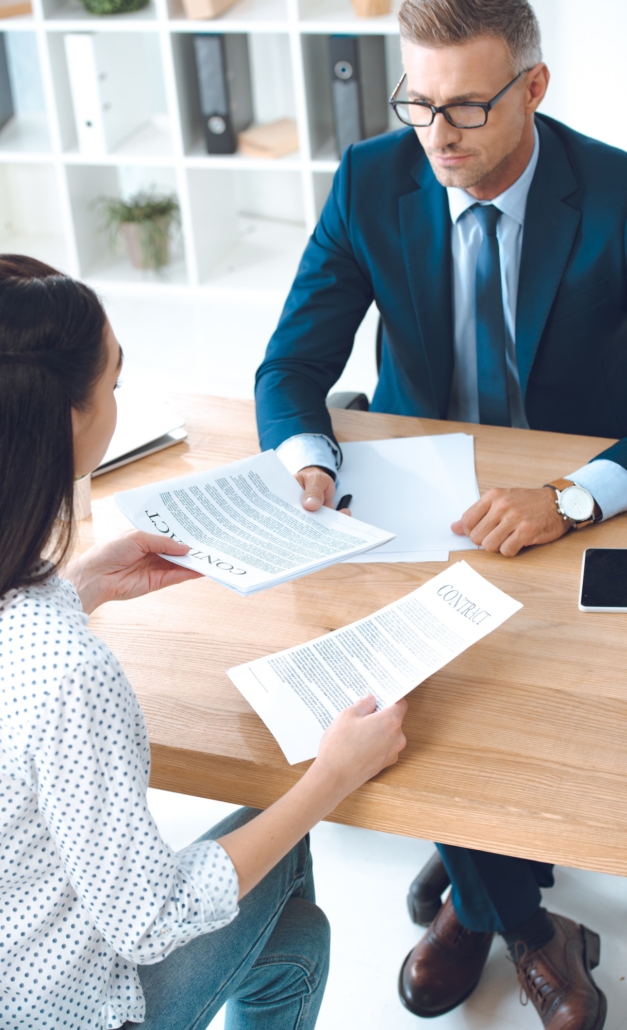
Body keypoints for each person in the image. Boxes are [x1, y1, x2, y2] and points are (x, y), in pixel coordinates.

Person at [254, 1, 622, 1027]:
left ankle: (474, 903)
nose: (436, 137)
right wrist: (308, 456)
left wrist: (570, 496)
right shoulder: (374, 177)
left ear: (533, 89)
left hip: (573, 508)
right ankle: (525, 921)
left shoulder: (617, 191)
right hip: (420, 500)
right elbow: (291, 362)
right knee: (408, 677)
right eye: (417, 103)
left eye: (465, 107)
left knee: (530, 693)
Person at [0, 255, 409, 1030]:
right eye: (114, 384)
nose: (119, 397)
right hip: (52, 1010)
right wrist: (332, 777)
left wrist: (81, 585)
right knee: (286, 853)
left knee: (295, 939)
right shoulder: (64, 674)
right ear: (68, 419)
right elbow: (149, 919)